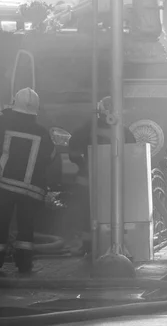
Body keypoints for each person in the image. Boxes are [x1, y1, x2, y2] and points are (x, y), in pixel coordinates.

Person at [0, 88, 56, 276]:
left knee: (0, 224)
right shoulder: (43, 133)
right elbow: (51, 156)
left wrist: (7, 109)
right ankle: (24, 264)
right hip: (29, 190)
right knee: (26, 227)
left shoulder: (4, 125)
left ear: (15, 106)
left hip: (5, 185)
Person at [67, 96, 136, 255]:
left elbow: (73, 153)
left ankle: (89, 247)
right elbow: (133, 155)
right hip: (115, 183)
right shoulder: (124, 131)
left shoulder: (86, 129)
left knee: (88, 213)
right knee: (115, 212)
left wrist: (83, 164)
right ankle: (114, 244)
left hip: (88, 181)